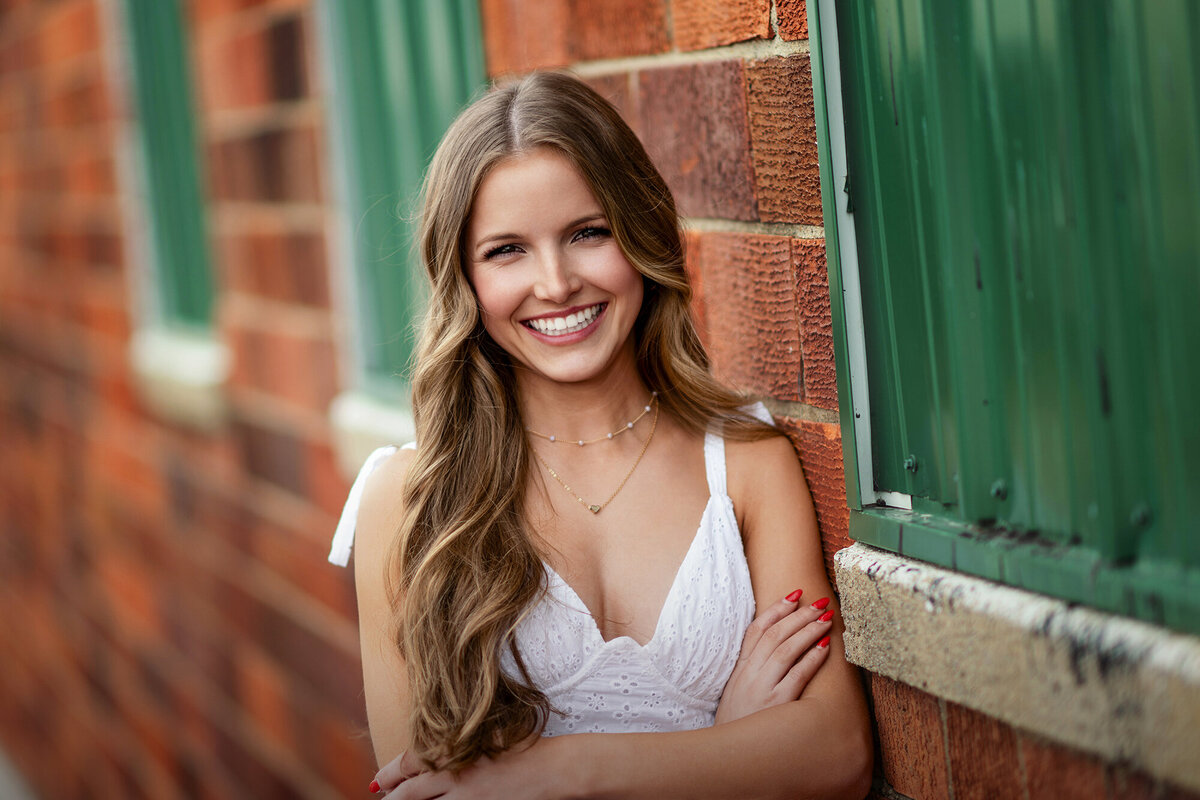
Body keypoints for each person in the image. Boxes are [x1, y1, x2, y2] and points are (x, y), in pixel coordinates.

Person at [329, 71, 872, 799]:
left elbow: (836, 756)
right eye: (506, 251)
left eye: (587, 233)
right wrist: (728, 751)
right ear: (463, 278)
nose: (555, 284)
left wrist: (567, 770)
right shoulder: (407, 501)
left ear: (639, 234)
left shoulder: (744, 464)